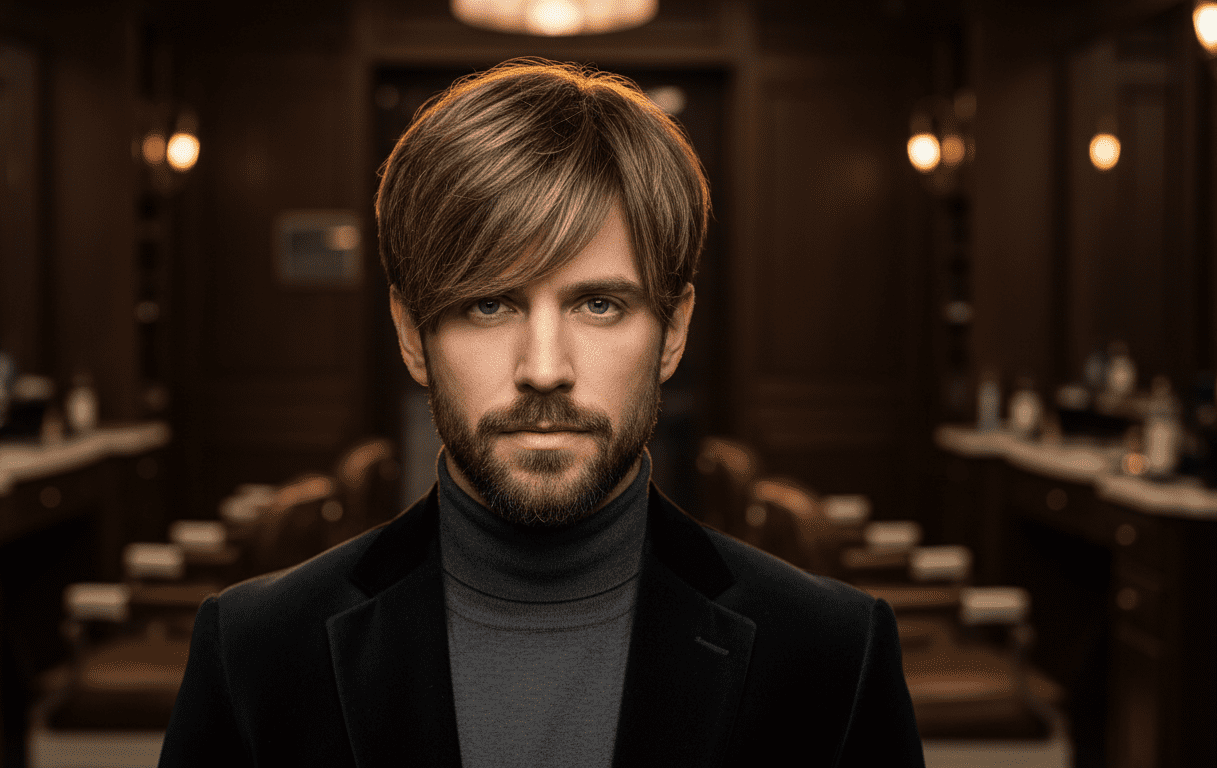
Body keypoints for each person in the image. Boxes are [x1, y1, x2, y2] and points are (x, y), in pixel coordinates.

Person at [159, 58, 924, 767]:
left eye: (600, 304)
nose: (545, 370)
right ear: (409, 334)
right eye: (488, 304)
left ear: (675, 331)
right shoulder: (256, 654)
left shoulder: (832, 656)